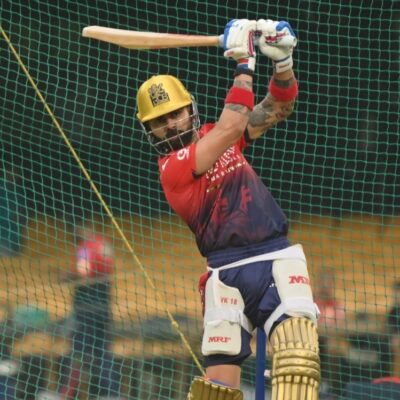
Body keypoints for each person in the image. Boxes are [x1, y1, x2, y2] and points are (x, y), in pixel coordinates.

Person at [136, 19, 320, 400]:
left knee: (298, 363)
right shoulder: (172, 168)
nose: (170, 125)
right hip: (224, 271)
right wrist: (243, 61)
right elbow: (233, 124)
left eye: (175, 114)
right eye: (159, 122)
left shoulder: (215, 135)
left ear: (190, 109)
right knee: (216, 393)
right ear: (149, 132)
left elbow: (279, 107)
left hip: (274, 257)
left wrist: (282, 62)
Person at [42, 225, 122, 400]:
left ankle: (65, 393)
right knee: (103, 350)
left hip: (86, 308)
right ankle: (112, 393)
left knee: (77, 350)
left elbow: (83, 271)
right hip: (104, 307)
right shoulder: (103, 244)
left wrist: (64, 276)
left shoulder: (85, 248)